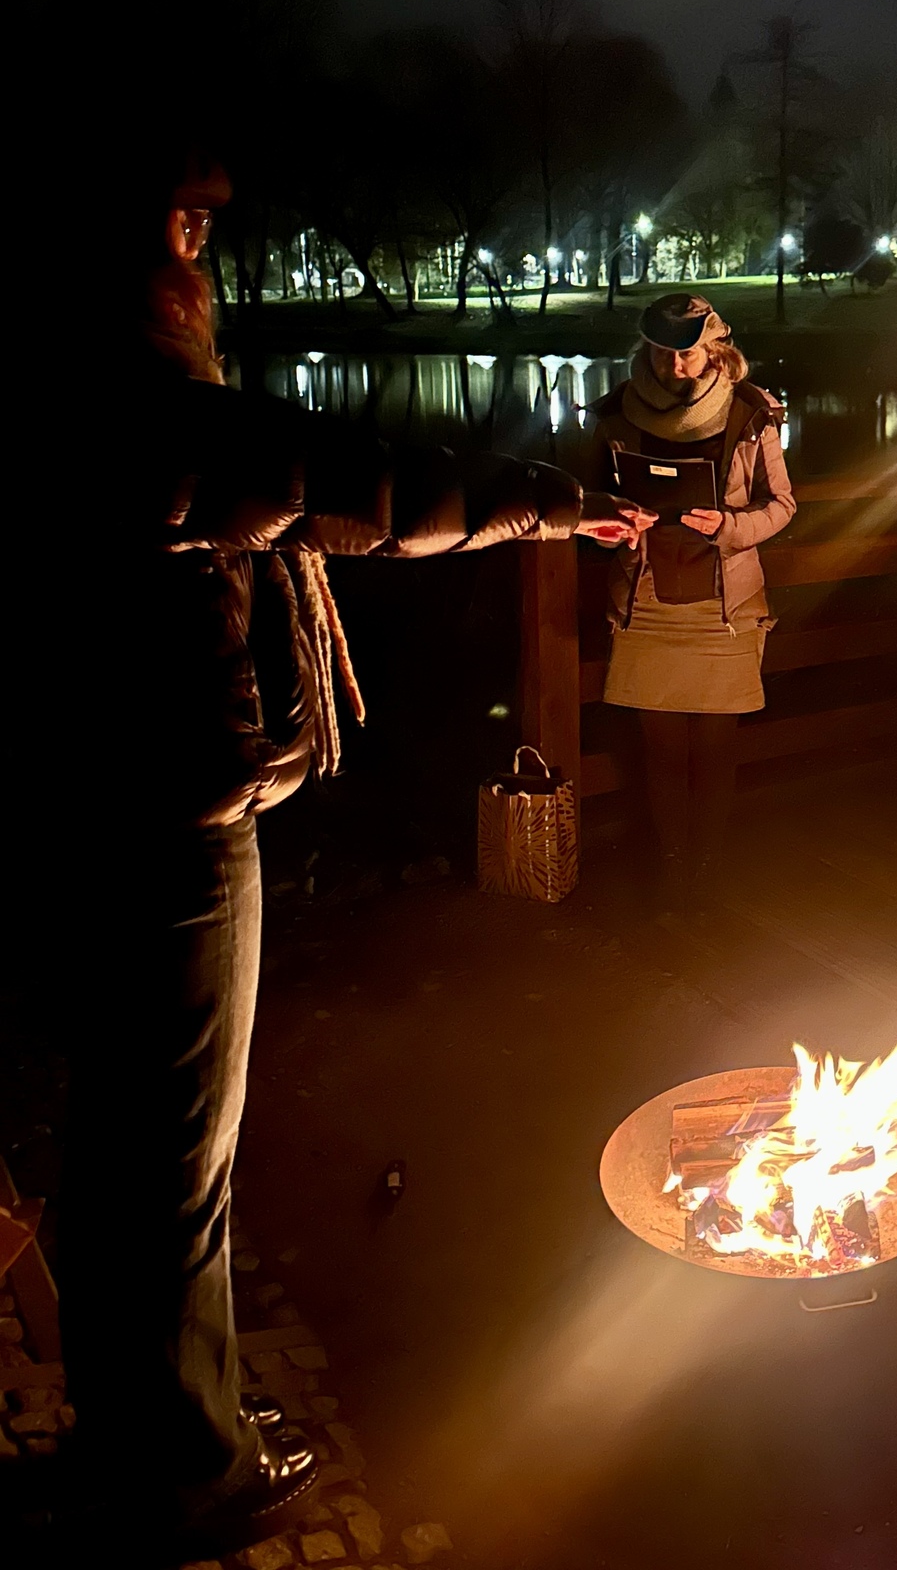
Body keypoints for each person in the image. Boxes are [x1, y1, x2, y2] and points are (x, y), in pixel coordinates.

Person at [57, 154, 647, 1557]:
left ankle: (134, 1432)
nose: (198, 254)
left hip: (106, 811)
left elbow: (317, 484)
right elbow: (350, 484)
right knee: (171, 1163)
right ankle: (185, 1468)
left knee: (128, 1145)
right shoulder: (124, 410)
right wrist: (550, 504)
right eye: (181, 226)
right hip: (165, 828)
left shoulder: (85, 396)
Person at [589, 293, 795, 904]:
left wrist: (729, 527)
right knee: (659, 752)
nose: (675, 366)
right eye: (662, 352)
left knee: (713, 750)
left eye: (689, 352)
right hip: (647, 600)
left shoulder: (751, 414)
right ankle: (672, 874)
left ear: (715, 348)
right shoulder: (614, 415)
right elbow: (587, 503)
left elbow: (781, 505)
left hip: (724, 610)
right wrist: (617, 522)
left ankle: (706, 872)